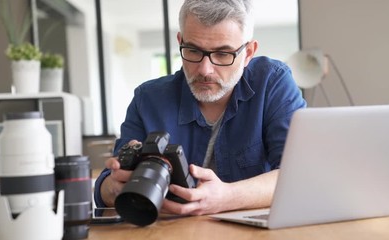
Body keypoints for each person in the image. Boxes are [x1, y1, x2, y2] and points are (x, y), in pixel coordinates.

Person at [94, 0, 306, 216]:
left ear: (248, 53)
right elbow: (104, 188)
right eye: (193, 51)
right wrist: (114, 186)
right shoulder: (147, 99)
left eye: (223, 54)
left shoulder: (272, 82)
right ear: (180, 42)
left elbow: (298, 176)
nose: (205, 70)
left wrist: (227, 197)